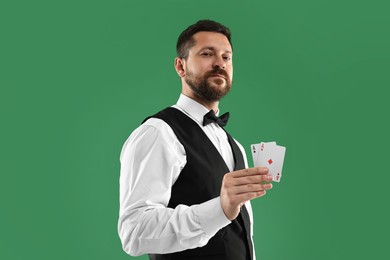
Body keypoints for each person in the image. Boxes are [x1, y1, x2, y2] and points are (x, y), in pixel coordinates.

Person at [118, 19, 273, 260]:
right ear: (180, 66)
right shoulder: (158, 132)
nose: (219, 63)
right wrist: (219, 209)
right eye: (207, 54)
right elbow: (134, 232)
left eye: (226, 57)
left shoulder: (236, 146)